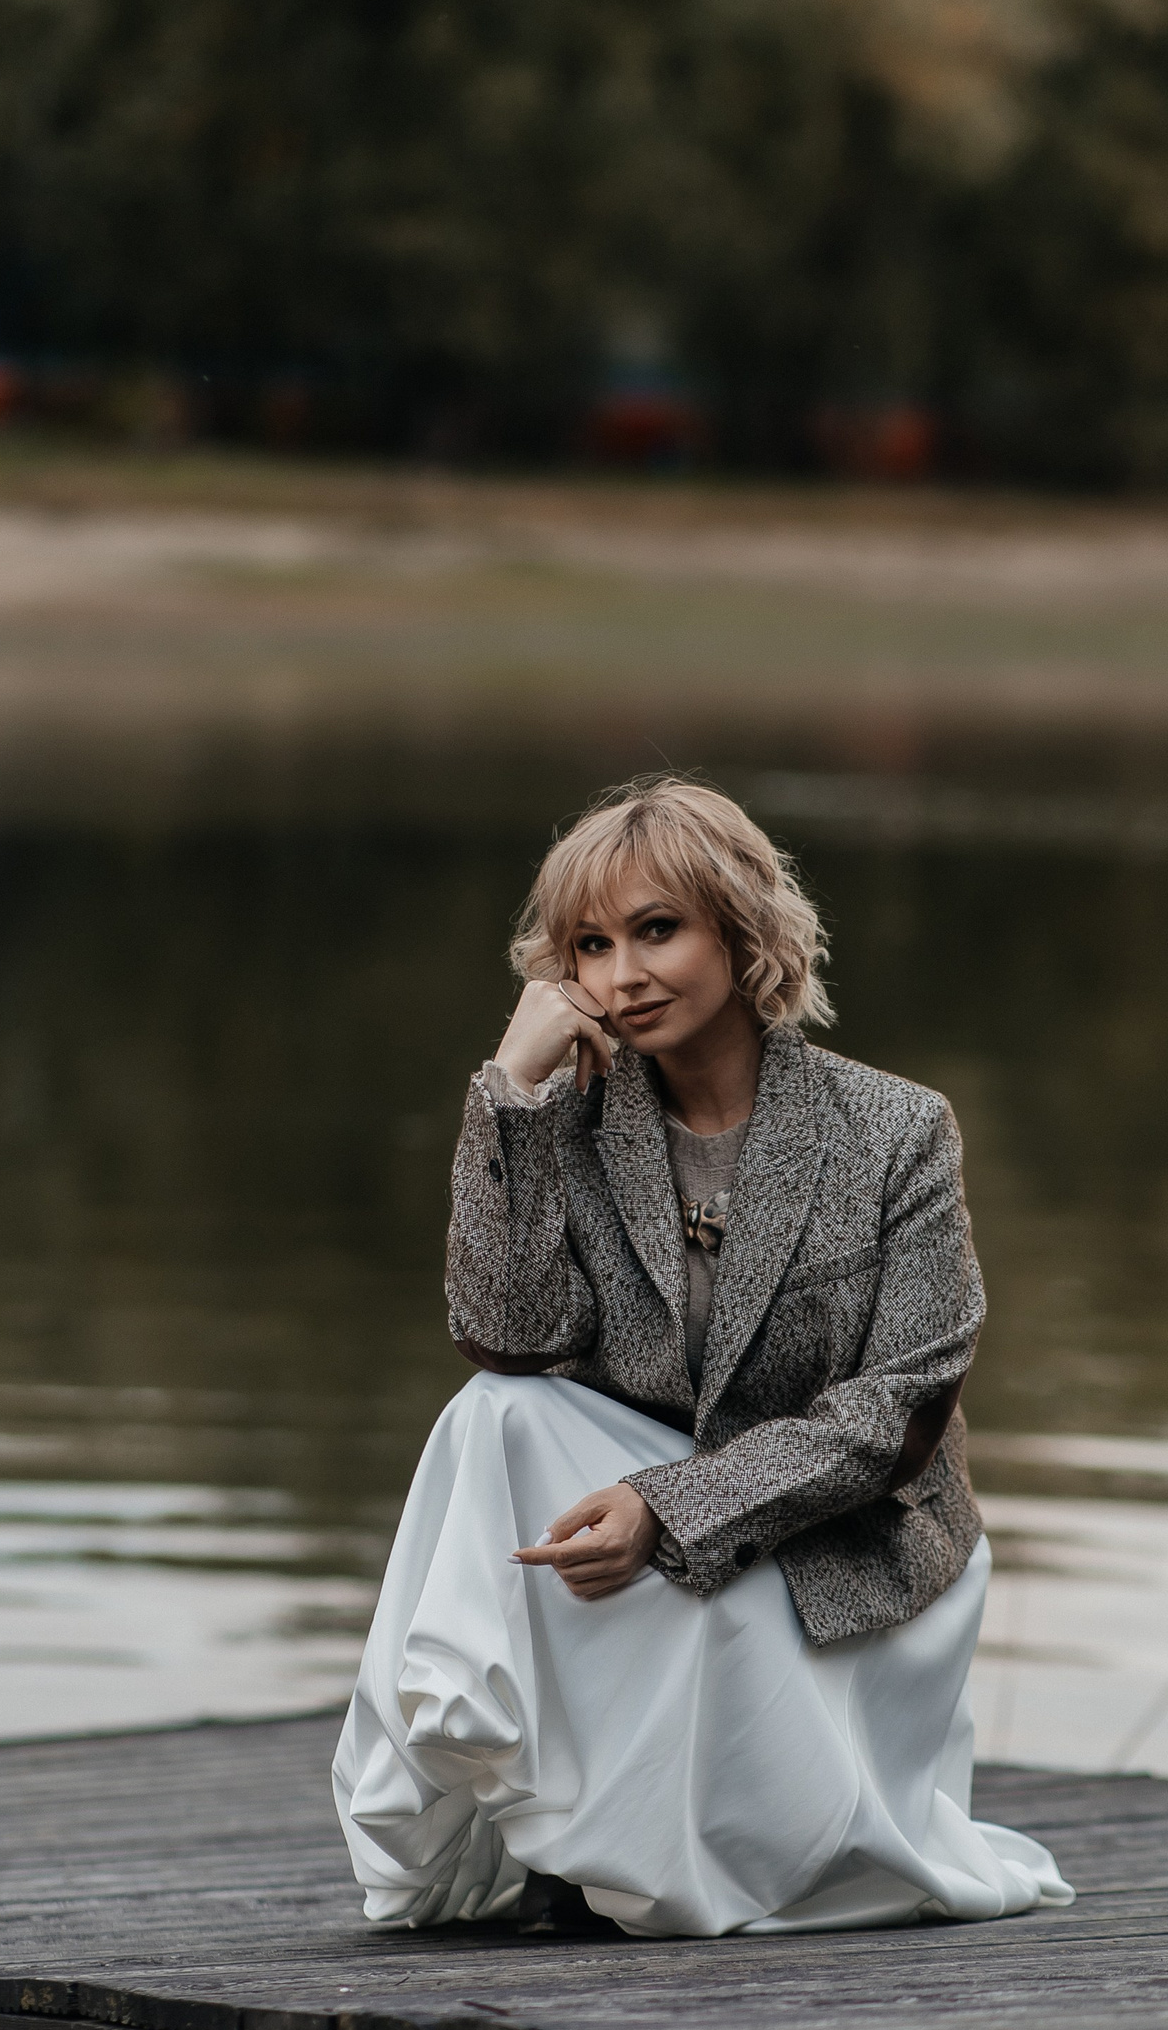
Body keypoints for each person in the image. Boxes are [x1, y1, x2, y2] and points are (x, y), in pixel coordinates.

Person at [333, 776, 1072, 1938]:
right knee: (494, 1414)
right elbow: (508, 1338)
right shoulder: (572, 1115)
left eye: (657, 929)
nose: (623, 974)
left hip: (844, 1543)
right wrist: (509, 1090)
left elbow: (899, 1416)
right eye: (591, 945)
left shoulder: (896, 1129)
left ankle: (640, 1835)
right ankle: (523, 1800)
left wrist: (668, 1507)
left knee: (590, 1480)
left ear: (739, 929)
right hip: (652, 1494)